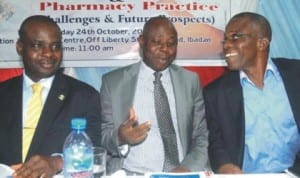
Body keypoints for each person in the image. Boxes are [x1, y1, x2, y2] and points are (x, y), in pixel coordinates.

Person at [100, 15, 208, 175]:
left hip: (181, 173)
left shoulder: (190, 81)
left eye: (171, 43)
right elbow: (101, 137)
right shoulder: (113, 83)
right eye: (157, 42)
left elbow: (201, 136)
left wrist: (184, 170)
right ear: (142, 42)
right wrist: (120, 137)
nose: (165, 49)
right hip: (132, 173)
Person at [0, 15, 101, 177]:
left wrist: (57, 162)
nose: (48, 53)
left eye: (56, 46)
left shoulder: (85, 96)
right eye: (38, 45)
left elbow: (95, 151)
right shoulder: (3, 93)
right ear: (20, 47)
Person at [203, 12, 300, 173]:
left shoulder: (296, 75)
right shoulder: (215, 93)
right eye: (225, 39)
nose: (226, 45)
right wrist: (223, 165)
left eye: (235, 37)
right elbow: (215, 141)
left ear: (261, 43)